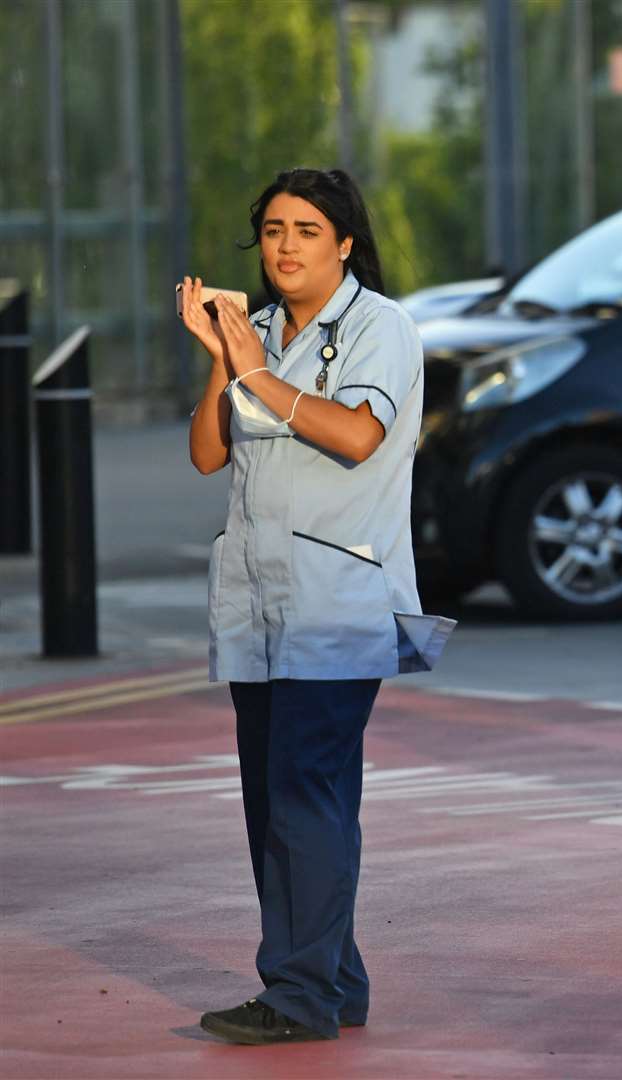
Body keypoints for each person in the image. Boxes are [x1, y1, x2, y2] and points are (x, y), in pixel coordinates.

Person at [182, 167, 454, 1044]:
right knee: (277, 800)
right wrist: (223, 362)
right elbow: (203, 455)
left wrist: (258, 375)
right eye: (271, 230)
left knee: (306, 793)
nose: (285, 245)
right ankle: (334, 980)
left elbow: (358, 433)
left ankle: (297, 998)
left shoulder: (382, 326)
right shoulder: (253, 332)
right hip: (258, 603)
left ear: (343, 242)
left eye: (306, 229)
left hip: (340, 602)